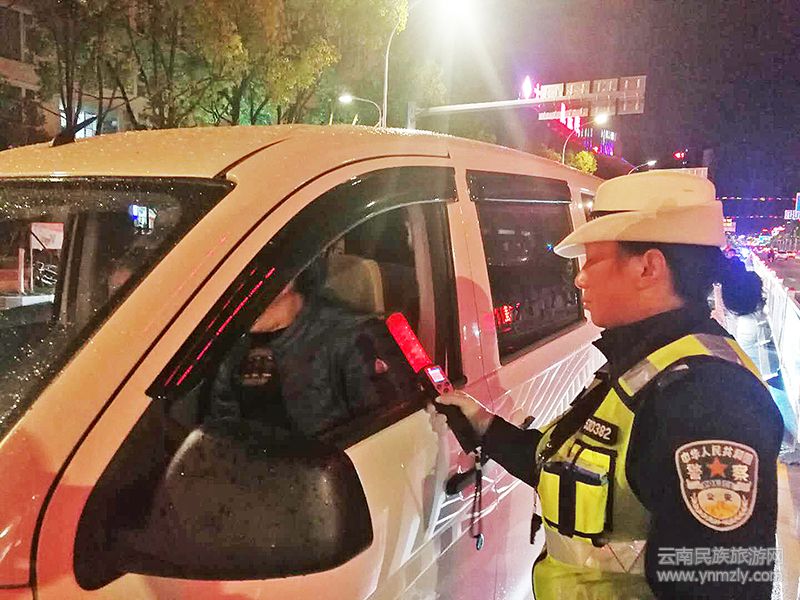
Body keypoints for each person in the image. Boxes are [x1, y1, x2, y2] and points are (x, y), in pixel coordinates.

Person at [436, 172, 783, 599]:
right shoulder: (646, 364)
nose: (580, 278)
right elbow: (574, 473)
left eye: (593, 261)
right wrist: (485, 425)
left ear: (648, 267)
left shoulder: (708, 401)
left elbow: (721, 586)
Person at [205, 255, 420, 438]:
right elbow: (221, 437)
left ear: (285, 283)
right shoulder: (234, 349)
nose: (233, 300)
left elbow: (392, 439)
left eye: (244, 286)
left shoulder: (355, 339)